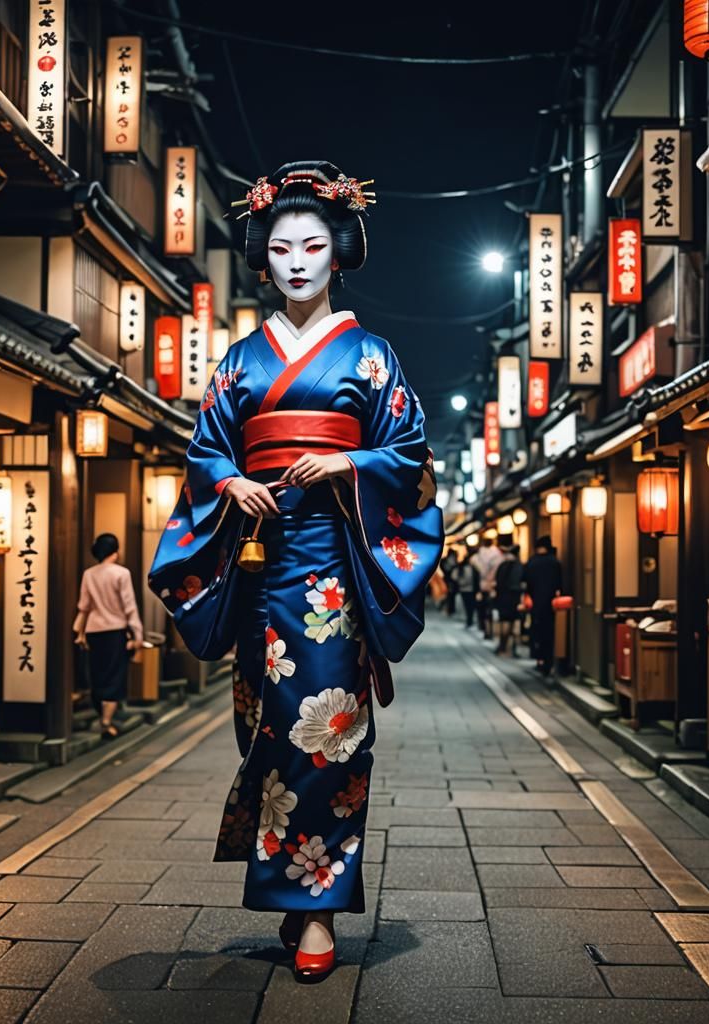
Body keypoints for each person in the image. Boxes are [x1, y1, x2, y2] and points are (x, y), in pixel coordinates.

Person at [148, 161, 443, 984]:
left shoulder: (373, 355)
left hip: (335, 578)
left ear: (341, 250)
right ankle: (293, 891)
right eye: (281, 248)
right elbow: (206, 446)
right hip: (258, 567)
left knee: (331, 732)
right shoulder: (240, 361)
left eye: (315, 244)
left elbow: (409, 455)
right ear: (263, 258)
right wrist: (228, 479)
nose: (299, 261)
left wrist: (346, 466)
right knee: (271, 733)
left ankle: (315, 910)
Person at [73, 533, 144, 738]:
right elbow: (129, 607)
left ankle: (101, 714)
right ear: (116, 551)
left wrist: (78, 631)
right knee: (115, 676)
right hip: (115, 631)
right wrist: (137, 634)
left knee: (98, 674)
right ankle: (106, 720)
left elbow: (83, 607)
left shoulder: (89, 574)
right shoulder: (121, 574)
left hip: (94, 631)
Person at [523, 535, 563, 676]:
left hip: (535, 603)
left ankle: (539, 659)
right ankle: (549, 661)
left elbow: (526, 583)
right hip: (551, 603)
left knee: (536, 631)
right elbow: (560, 584)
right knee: (549, 632)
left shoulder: (532, 562)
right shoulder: (555, 562)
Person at [493, 544, 524, 655]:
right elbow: (522, 582)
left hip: (502, 596)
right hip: (514, 597)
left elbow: (496, 581)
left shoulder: (502, 566)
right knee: (514, 623)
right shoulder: (519, 566)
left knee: (504, 622)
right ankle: (511, 648)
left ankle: (502, 645)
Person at [470, 537, 502, 638]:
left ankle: (485, 629)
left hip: (482, 586)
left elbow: (475, 573)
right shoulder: (498, 555)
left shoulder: (478, 556)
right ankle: (492, 630)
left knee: (483, 610)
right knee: (492, 609)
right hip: (494, 586)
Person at [453, 551, 478, 628]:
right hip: (470, 589)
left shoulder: (461, 567)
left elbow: (454, 576)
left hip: (463, 589)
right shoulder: (470, 568)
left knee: (467, 606)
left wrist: (460, 582)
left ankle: (469, 620)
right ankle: (469, 620)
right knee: (470, 606)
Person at [440, 548, 459, 616]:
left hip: (448, 580)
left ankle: (449, 609)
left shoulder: (445, 561)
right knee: (450, 595)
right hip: (450, 580)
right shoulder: (453, 561)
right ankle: (450, 609)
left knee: (449, 595)